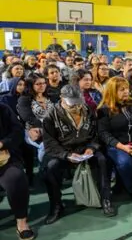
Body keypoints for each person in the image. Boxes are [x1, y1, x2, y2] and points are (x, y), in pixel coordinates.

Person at [42, 85, 116, 224]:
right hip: (64, 150)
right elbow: (49, 143)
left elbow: (95, 134)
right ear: (62, 98)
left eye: (78, 100)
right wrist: (66, 155)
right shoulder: (51, 115)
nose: (76, 104)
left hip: (85, 148)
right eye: (72, 101)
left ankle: (106, 199)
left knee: (102, 160)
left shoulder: (87, 109)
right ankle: (56, 206)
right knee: (50, 168)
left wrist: (91, 148)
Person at [0, 103, 35, 240]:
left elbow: (18, 132)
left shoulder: (3, 109)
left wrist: (2, 143)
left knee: (16, 177)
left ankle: (21, 221)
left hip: (6, 159)